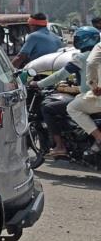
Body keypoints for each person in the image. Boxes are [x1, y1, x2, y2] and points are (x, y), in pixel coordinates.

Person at [31, 26, 100, 160]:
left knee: (60, 108)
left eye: (78, 39)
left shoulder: (81, 57)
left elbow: (59, 75)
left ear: (84, 40)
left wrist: (38, 84)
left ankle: (60, 146)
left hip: (95, 97)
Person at [67, 36, 101, 158]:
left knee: (72, 107)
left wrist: (94, 85)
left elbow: (91, 63)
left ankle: (98, 137)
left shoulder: (98, 47)